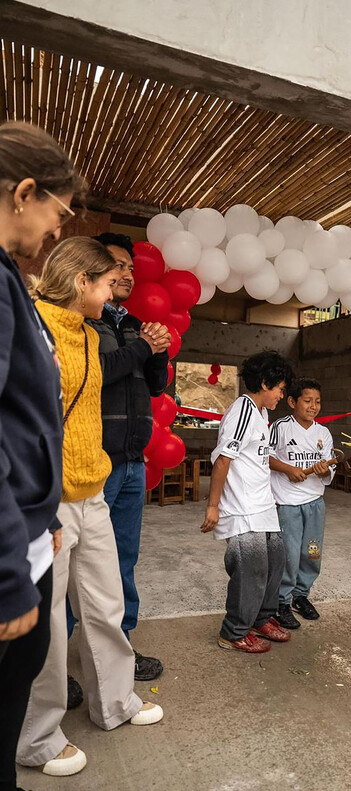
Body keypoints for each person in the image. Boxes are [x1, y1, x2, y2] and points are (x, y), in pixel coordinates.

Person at [17, 237, 163, 778]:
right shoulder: (34, 331)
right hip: (48, 501)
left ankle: (115, 703)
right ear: (82, 281)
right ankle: (36, 737)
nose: (113, 292)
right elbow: (25, 427)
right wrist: (40, 505)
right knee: (50, 625)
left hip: (92, 491)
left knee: (104, 605)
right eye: (107, 283)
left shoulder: (90, 332)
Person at [0, 120, 83, 791]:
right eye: (58, 212)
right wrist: (7, 571)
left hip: (26, 530)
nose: (57, 231)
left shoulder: (11, 284)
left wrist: (41, 514)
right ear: (24, 193)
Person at [66, 233, 167, 704]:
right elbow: (97, 374)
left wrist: (158, 350)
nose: (127, 275)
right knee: (74, 569)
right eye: (118, 267)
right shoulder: (80, 323)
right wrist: (143, 348)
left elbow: (155, 383)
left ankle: (120, 647)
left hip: (130, 461)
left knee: (122, 561)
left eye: (130, 268)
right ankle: (59, 662)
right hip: (94, 463)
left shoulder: (132, 323)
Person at [200, 351, 294, 653]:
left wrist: (290, 469)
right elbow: (223, 460)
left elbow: (261, 460)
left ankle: (261, 618)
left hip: (263, 506)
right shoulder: (242, 410)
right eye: (280, 388)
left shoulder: (262, 413)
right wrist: (213, 506)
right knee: (251, 570)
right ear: (265, 383)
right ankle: (233, 631)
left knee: (275, 561)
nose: (282, 395)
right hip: (241, 509)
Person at [269, 378, 335, 629]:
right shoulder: (280, 427)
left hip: (315, 503)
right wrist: (287, 469)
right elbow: (265, 458)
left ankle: (301, 596)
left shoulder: (323, 433)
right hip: (287, 503)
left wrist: (322, 470)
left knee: (312, 552)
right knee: (289, 554)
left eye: (317, 402)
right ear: (292, 402)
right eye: (307, 401)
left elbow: (328, 467)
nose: (313, 406)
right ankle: (281, 602)